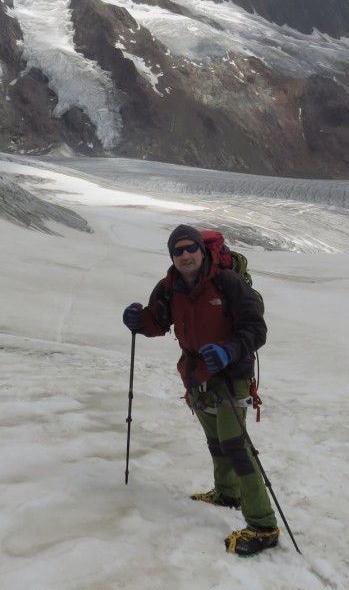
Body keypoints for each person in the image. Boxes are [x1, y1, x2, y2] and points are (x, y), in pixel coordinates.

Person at [122, 225, 280, 556]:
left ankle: (264, 526)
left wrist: (230, 350)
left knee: (236, 445)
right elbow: (157, 322)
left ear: (201, 250)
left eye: (190, 248)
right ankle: (227, 493)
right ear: (172, 257)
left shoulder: (228, 284)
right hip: (196, 374)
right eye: (177, 251)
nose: (184, 255)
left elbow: (256, 328)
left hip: (232, 374)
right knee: (216, 439)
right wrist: (139, 321)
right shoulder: (168, 288)